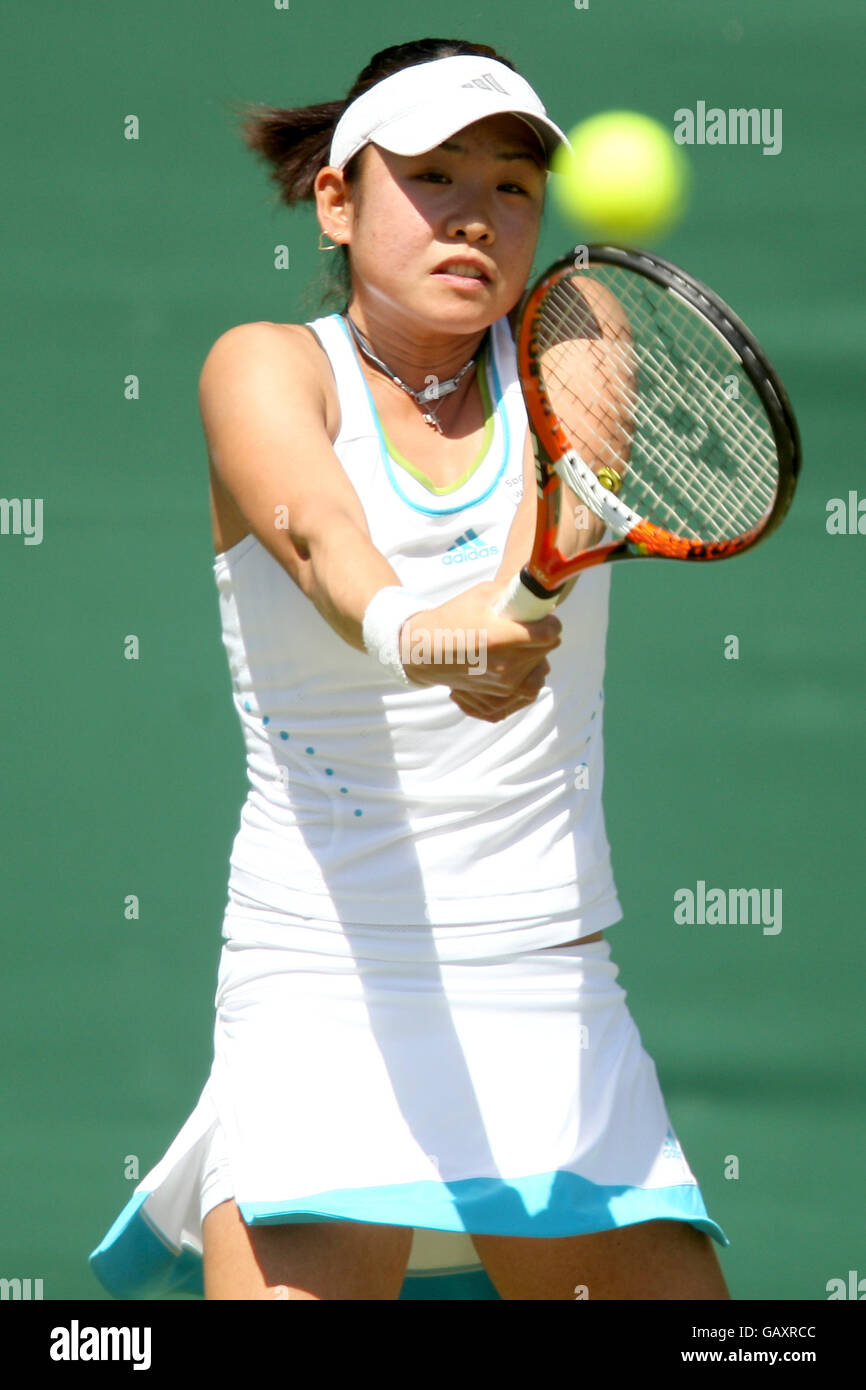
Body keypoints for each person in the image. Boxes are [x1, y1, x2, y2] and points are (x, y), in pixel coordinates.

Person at [89, 37, 730, 1301]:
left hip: (544, 966)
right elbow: (328, 542)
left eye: (508, 188)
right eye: (432, 176)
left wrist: (496, 621)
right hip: (321, 970)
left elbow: (525, 555)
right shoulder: (262, 365)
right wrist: (416, 635)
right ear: (336, 198)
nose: (474, 217)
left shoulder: (580, 335)